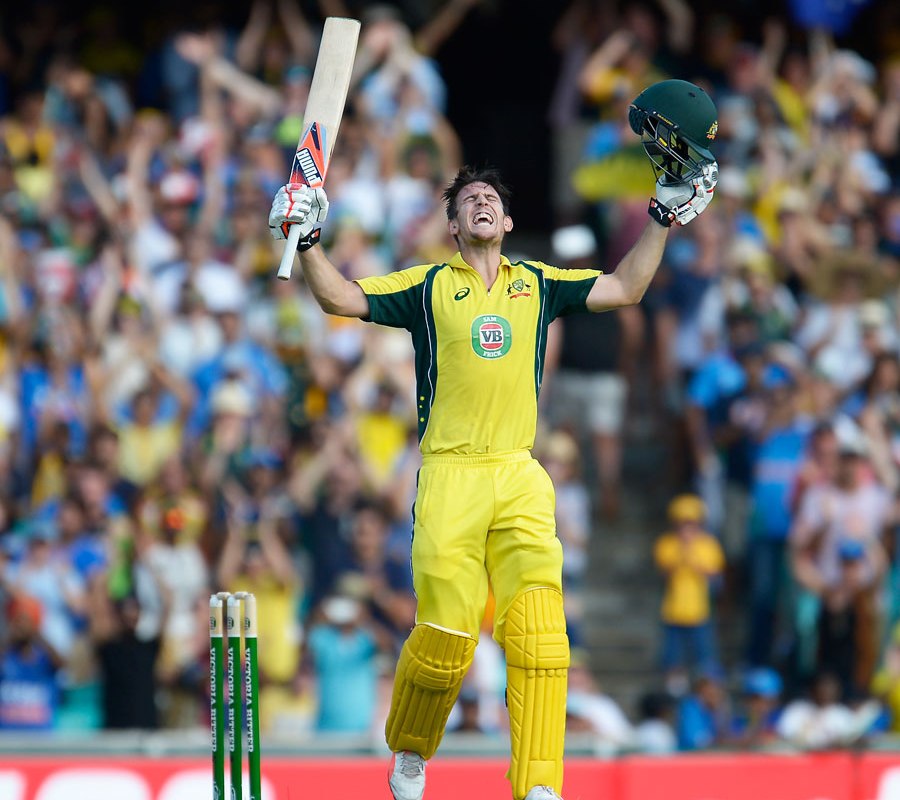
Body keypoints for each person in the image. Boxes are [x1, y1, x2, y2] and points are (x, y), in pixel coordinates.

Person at [267, 78, 718, 800]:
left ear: (507, 221)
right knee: (447, 638)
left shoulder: (538, 281)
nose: (480, 203)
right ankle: (411, 749)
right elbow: (340, 298)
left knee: (541, 634)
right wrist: (309, 241)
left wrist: (661, 216)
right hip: (450, 474)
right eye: (466, 200)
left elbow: (625, 287)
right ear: (453, 225)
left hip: (518, 472)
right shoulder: (426, 285)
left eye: (490, 199)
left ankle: (539, 785)